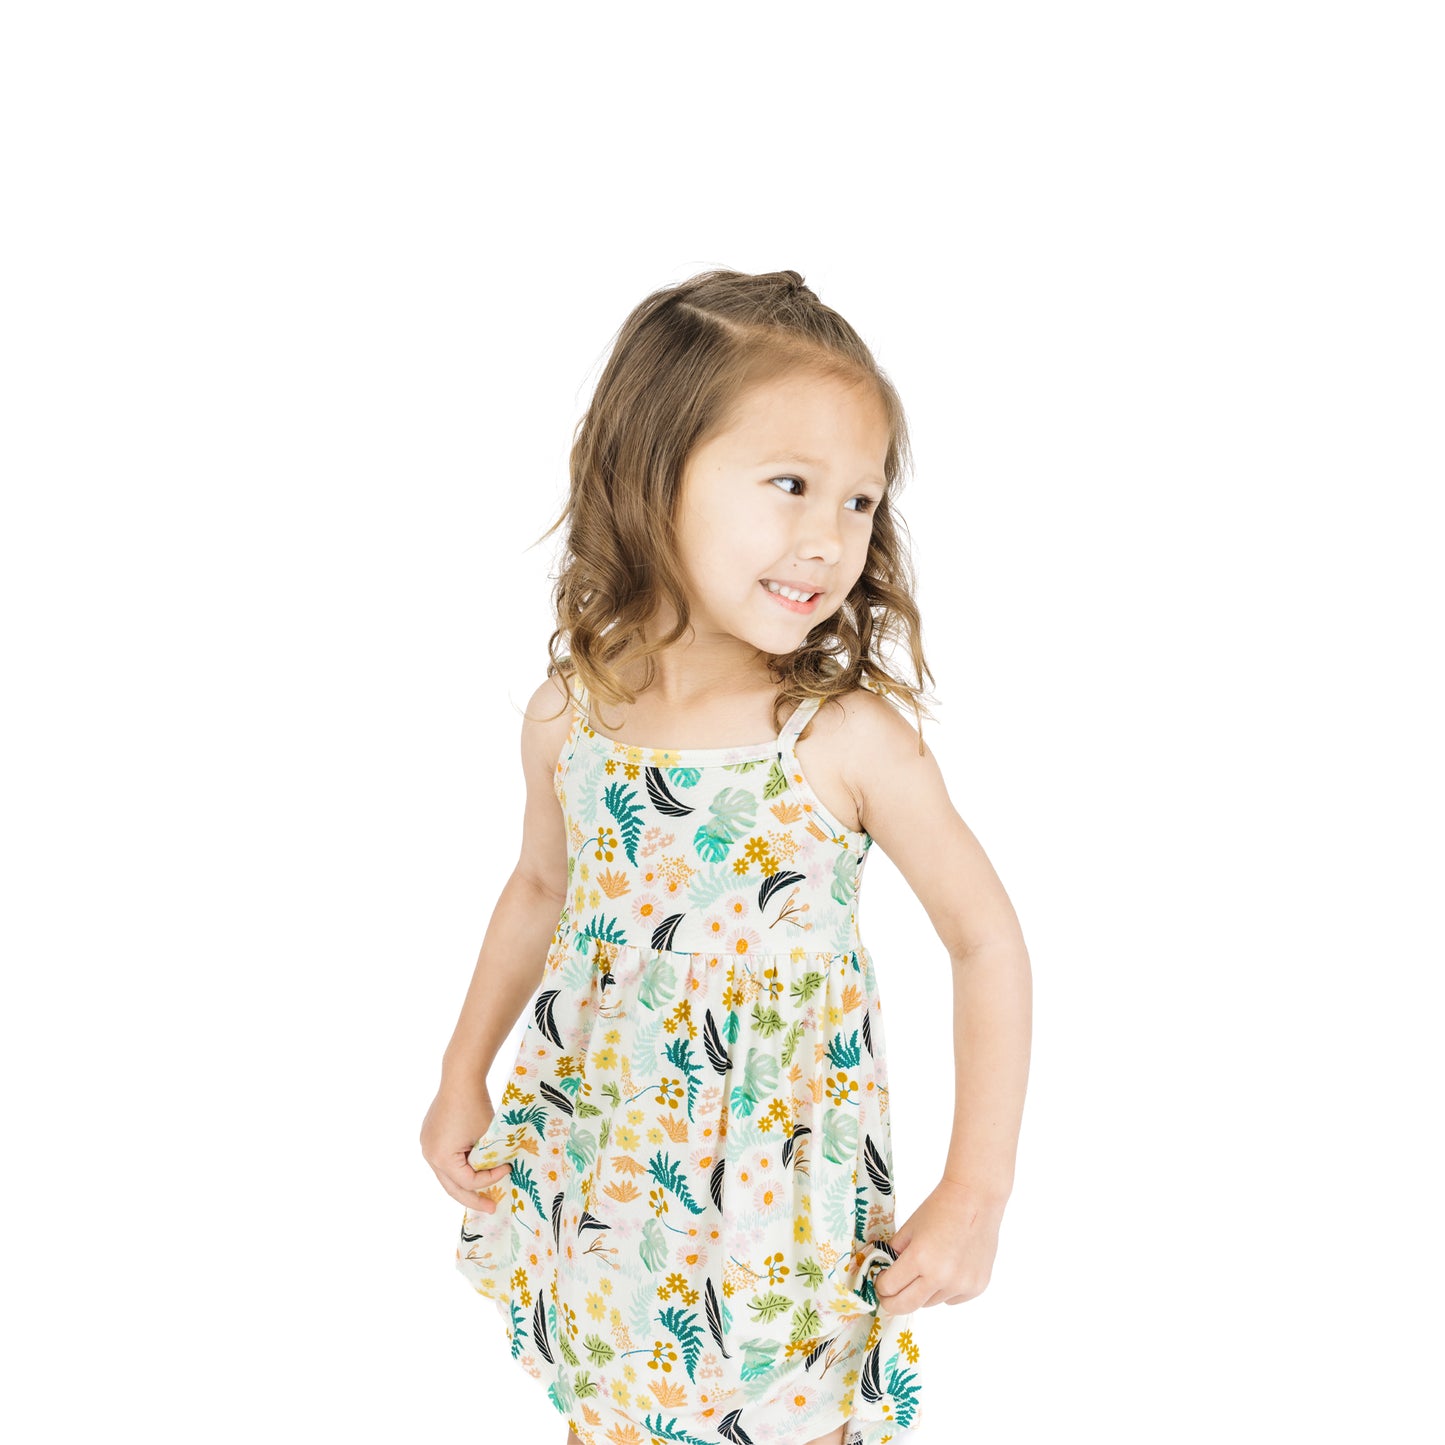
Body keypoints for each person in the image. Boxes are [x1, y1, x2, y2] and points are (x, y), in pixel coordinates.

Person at [420, 268, 1032, 1445]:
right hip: (600, 1170)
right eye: (789, 484)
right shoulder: (571, 716)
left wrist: (974, 1191)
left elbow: (983, 936)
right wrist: (462, 1069)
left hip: (777, 1201)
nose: (829, 535)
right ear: (651, 479)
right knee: (612, 1417)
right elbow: (541, 889)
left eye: (859, 500)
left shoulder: (841, 740)